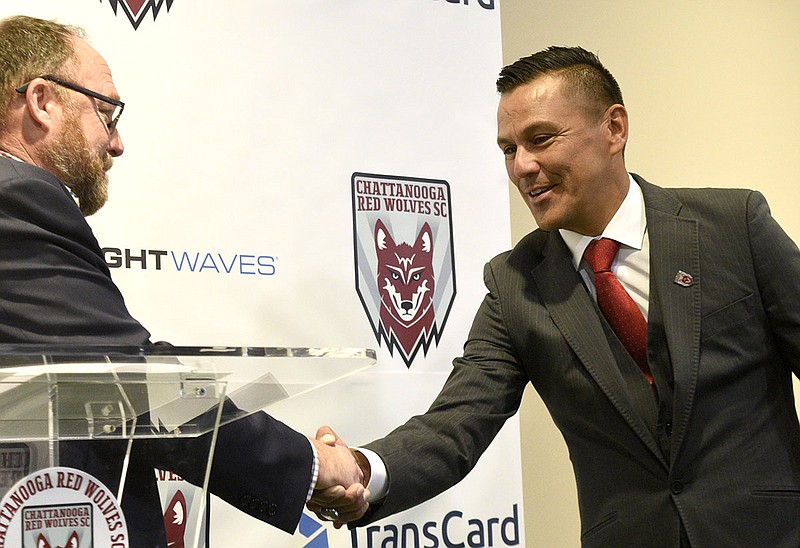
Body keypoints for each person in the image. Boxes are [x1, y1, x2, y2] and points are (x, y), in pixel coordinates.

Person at [308, 46, 800, 547]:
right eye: (508, 149)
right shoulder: (513, 283)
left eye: (540, 139)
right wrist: (361, 469)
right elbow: (455, 424)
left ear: (615, 129)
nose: (522, 166)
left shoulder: (734, 226)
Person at [0, 15, 364, 546]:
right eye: (106, 113)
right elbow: (132, 382)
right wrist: (309, 465)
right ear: (42, 102)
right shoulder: (19, 201)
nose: (117, 142)